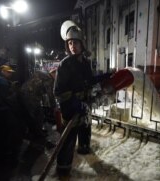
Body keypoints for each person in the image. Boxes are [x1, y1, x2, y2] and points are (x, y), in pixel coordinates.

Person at [54, 21, 95, 175]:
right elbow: (58, 91)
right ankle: (63, 170)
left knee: (85, 128)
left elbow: (89, 81)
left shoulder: (85, 63)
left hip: (84, 106)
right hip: (70, 109)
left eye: (76, 42)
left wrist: (102, 79)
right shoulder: (64, 65)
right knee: (68, 140)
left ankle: (84, 150)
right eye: (70, 43)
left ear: (82, 44)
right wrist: (73, 103)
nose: (73, 46)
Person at [19, 69, 56, 147]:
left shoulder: (43, 73)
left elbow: (41, 90)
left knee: (32, 115)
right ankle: (38, 137)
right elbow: (50, 94)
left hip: (23, 92)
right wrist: (54, 106)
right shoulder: (49, 79)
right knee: (38, 115)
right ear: (53, 73)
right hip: (30, 95)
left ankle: (35, 132)